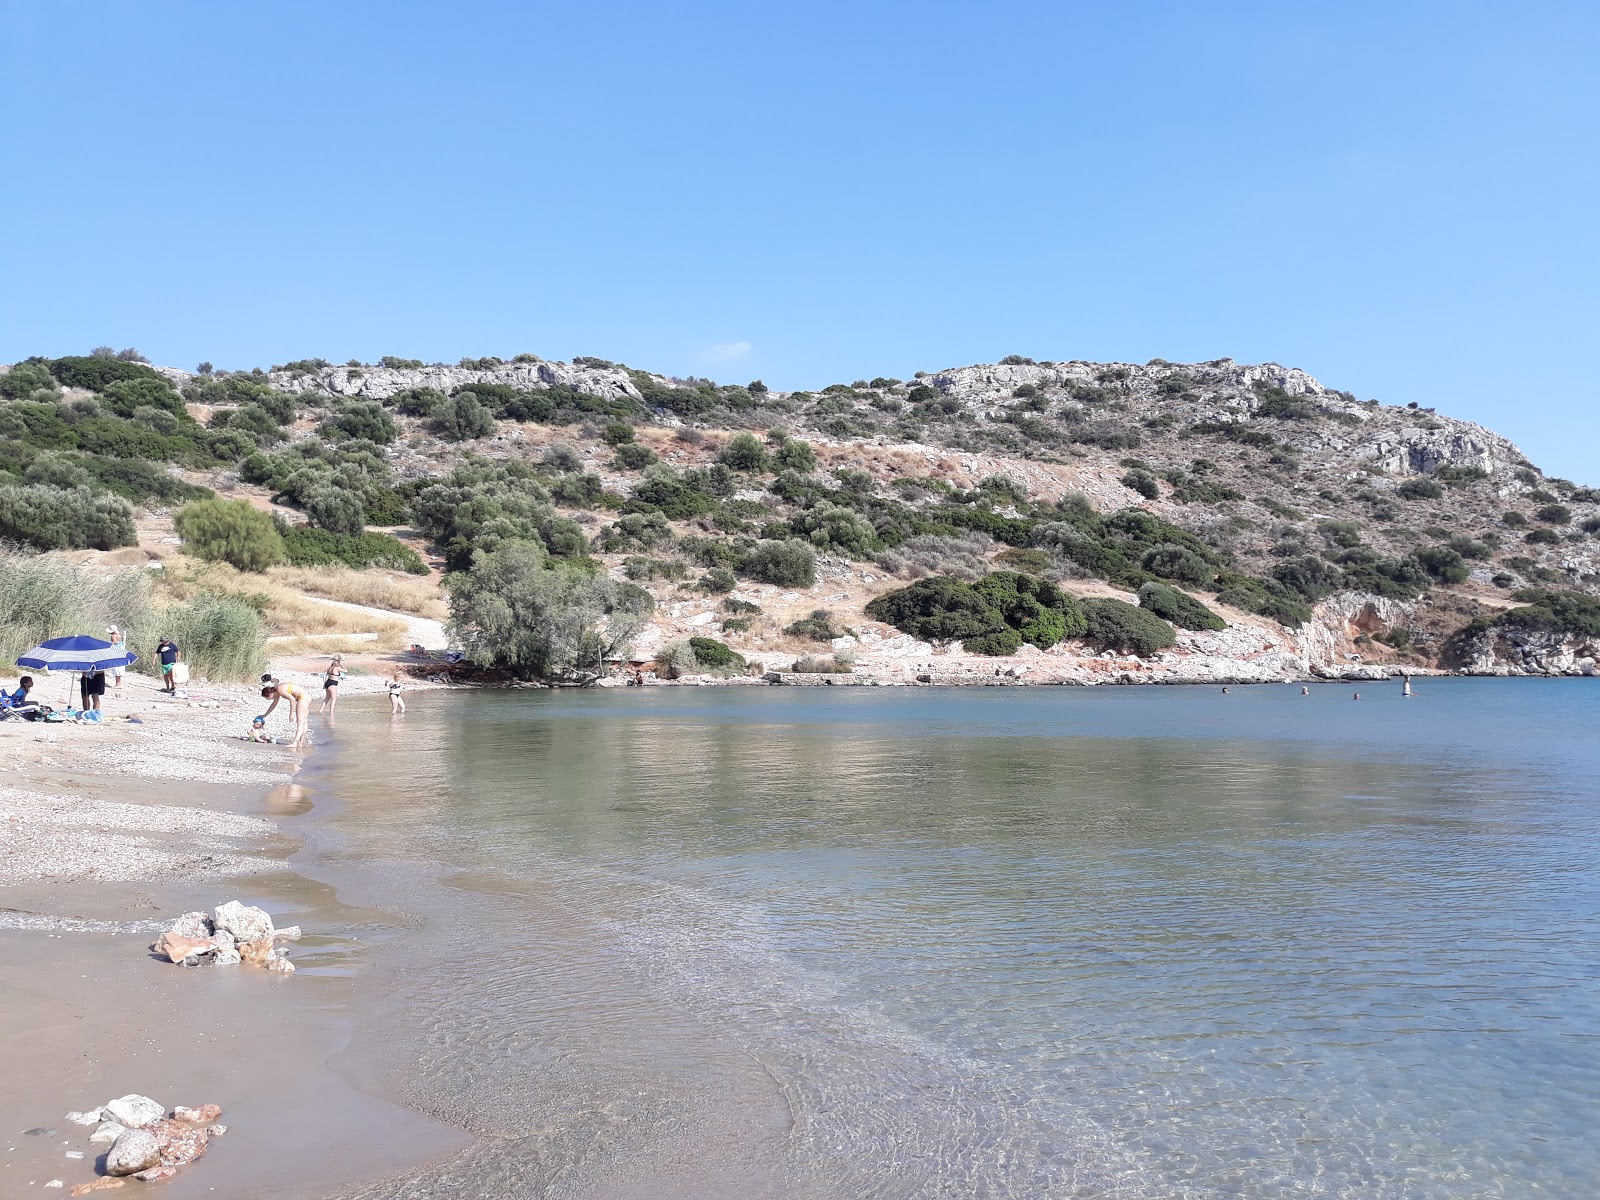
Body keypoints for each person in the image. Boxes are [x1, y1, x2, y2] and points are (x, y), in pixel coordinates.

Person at [261, 680, 311, 747]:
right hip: (306, 696)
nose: (268, 699)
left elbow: (292, 699)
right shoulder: (277, 691)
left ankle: (295, 743)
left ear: (270, 694)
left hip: (302, 697)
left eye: (267, 698)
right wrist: (265, 715)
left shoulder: (279, 689)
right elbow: (274, 704)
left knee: (300, 722)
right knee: (304, 721)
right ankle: (300, 743)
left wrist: (291, 714)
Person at [106, 626, 126, 692]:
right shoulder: (119, 636)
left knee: (116, 668)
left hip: (116, 653)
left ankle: (118, 684)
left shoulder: (113, 636)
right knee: (119, 668)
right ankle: (119, 683)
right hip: (121, 653)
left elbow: (114, 643)